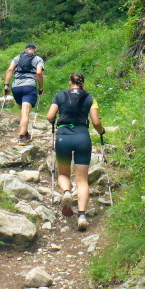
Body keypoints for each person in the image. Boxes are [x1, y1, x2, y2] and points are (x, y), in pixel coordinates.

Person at [46, 72, 104, 231]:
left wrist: (55, 118)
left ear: (69, 82)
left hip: (63, 138)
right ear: (83, 83)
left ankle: (66, 192)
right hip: (82, 138)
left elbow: (50, 116)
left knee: (63, 174)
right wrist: (101, 131)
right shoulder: (90, 98)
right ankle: (82, 215)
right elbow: (96, 122)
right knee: (82, 180)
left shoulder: (60, 95)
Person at [3, 43, 45, 146]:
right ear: (35, 50)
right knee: (25, 111)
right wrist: (41, 87)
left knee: (22, 110)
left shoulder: (17, 58)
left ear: (25, 50)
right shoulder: (38, 59)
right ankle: (22, 137)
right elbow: (39, 73)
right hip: (29, 87)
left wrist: (6, 85)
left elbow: (10, 70)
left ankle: (25, 133)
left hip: (16, 87)